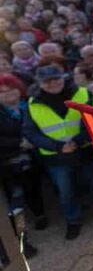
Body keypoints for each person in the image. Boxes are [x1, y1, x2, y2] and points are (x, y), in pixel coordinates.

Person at [22, 65, 93, 240]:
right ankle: (73, 221)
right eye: (47, 81)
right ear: (39, 83)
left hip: (83, 150)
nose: (53, 83)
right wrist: (58, 146)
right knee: (65, 192)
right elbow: (30, 133)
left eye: (56, 78)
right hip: (56, 157)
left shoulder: (83, 94)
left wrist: (77, 141)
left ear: (64, 77)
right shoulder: (32, 103)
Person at [0, 74, 46, 241]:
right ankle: (20, 236)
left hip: (34, 156)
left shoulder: (28, 105)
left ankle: (40, 214)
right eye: (2, 92)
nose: (8, 94)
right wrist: (20, 142)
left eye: (11, 89)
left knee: (35, 187)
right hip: (10, 162)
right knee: (16, 198)